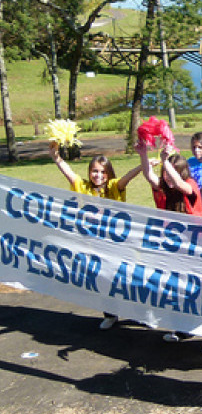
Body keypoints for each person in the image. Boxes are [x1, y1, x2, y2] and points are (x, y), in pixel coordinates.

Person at [49, 141, 142, 330]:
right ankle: (110, 314)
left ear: (108, 173)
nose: (98, 175)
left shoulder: (114, 187)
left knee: (126, 281)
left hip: (117, 245)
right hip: (94, 246)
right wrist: (55, 156)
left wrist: (143, 163)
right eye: (94, 171)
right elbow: (67, 172)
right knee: (102, 280)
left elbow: (128, 178)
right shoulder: (82, 188)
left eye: (102, 172)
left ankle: (139, 314)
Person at [136, 140, 202, 350]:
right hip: (173, 250)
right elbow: (148, 176)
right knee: (174, 290)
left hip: (195, 251)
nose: (168, 180)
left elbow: (181, 184)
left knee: (195, 293)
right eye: (166, 176)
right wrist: (143, 154)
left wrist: (165, 163)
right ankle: (183, 329)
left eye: (172, 175)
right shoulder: (164, 192)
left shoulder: (191, 188)